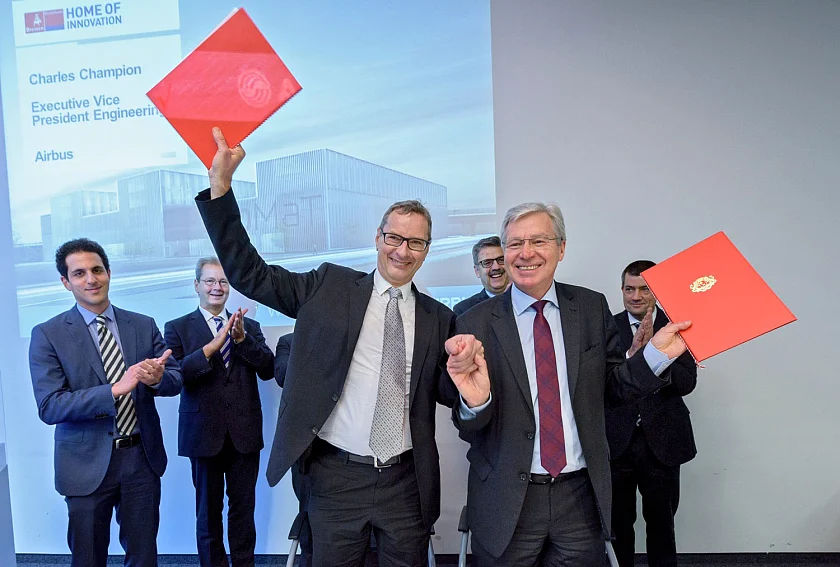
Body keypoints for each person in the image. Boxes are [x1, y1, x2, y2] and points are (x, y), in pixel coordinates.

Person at [195, 128, 478, 567]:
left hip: (406, 483)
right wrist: (221, 189)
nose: (402, 251)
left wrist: (468, 380)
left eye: (415, 242)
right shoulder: (328, 286)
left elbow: (447, 392)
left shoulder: (440, 318)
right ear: (378, 237)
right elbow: (251, 274)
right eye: (394, 238)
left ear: (426, 249)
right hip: (335, 478)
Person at [444, 203, 691, 566]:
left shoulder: (590, 308)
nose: (525, 253)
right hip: (506, 499)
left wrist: (654, 356)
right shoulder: (473, 321)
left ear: (561, 248)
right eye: (514, 243)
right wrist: (476, 404)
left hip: (579, 498)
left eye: (538, 241)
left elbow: (614, 388)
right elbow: (466, 425)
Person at [29, 238, 182, 566]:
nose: (91, 279)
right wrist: (114, 390)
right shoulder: (48, 334)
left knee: (143, 557)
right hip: (83, 464)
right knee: (88, 558)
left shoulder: (142, 325)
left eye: (97, 270)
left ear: (109, 273)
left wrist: (157, 378)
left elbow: (174, 379)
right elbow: (50, 406)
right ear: (65, 282)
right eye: (79, 273)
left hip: (141, 460)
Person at [164, 257, 275, 566]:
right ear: (196, 285)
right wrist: (210, 348)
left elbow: (268, 369)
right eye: (210, 281)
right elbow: (177, 375)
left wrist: (241, 340)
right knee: (208, 512)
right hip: (203, 435)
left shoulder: (249, 327)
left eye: (223, 282)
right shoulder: (177, 328)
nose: (217, 287)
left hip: (244, 434)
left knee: (243, 511)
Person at [607, 260, 698, 567]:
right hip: (616, 443)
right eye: (629, 289)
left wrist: (656, 357)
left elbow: (687, 383)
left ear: (657, 292)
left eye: (644, 289)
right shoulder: (606, 327)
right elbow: (599, 383)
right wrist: (634, 356)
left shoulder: (678, 329)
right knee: (618, 527)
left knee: (662, 526)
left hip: (662, 442)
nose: (636, 296)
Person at [453, 236, 509, 315]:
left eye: (501, 260)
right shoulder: (465, 310)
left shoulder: (526, 299)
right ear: (477, 271)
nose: (496, 267)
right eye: (487, 263)